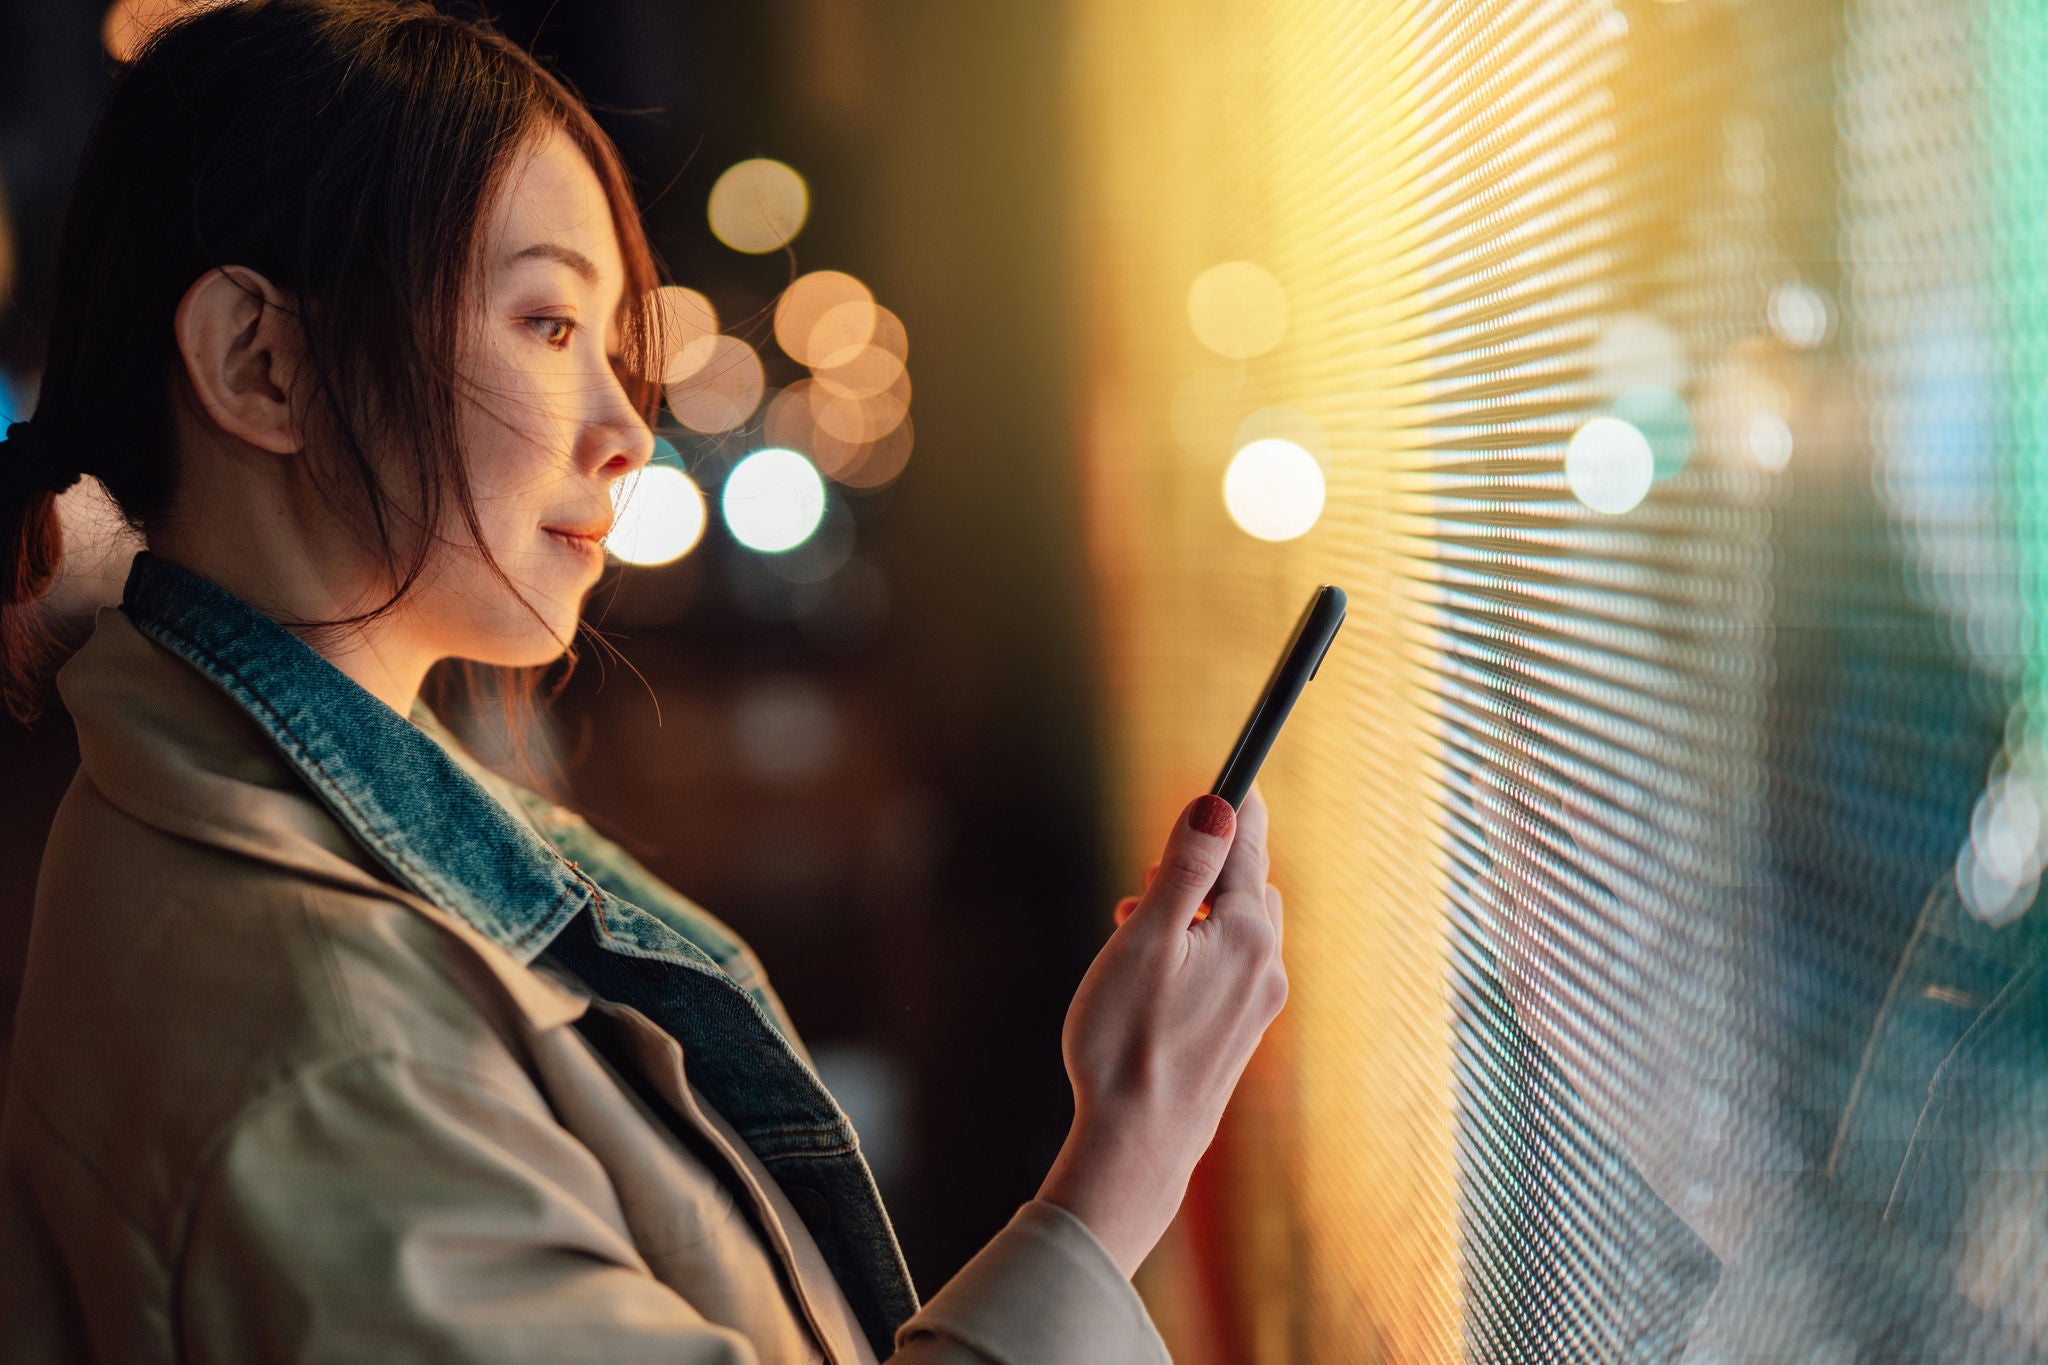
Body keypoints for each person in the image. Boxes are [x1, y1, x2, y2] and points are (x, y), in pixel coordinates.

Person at [0, 3, 1291, 1360]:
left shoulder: (274, 861)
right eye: (548, 321)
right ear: (259, 363)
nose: (628, 430)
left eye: (609, 341)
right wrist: (1121, 1169)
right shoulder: (323, 1034)